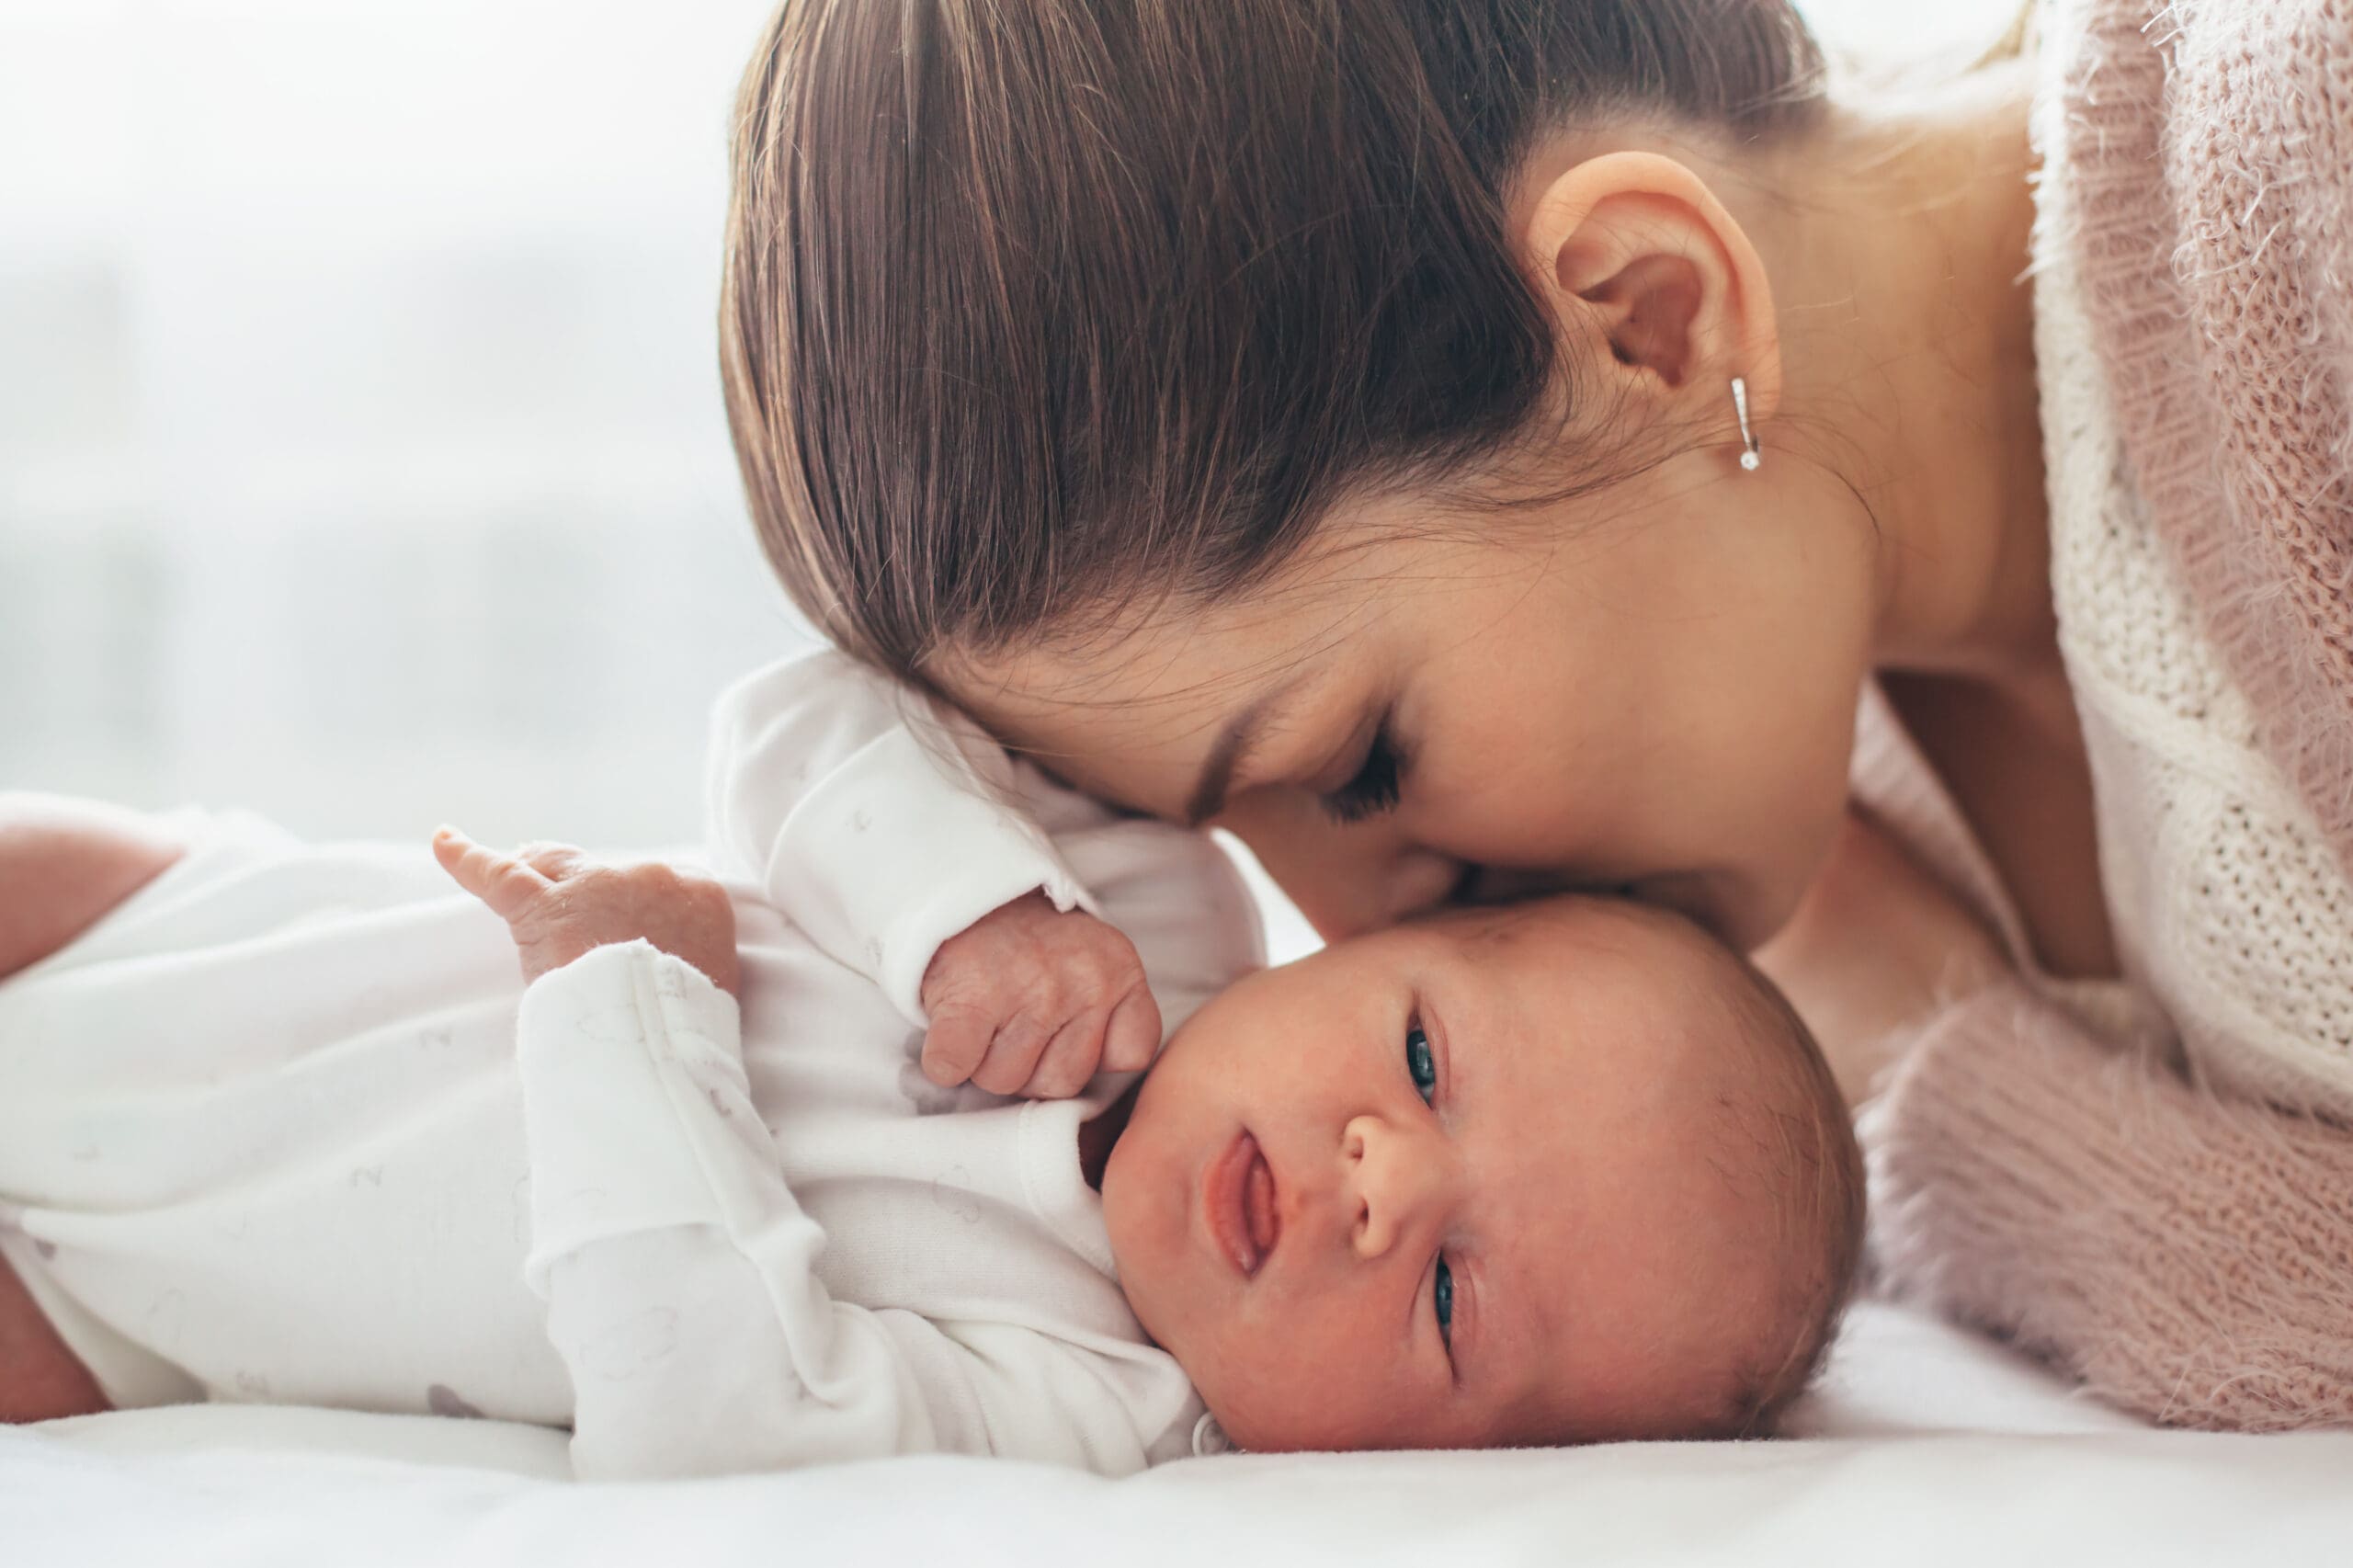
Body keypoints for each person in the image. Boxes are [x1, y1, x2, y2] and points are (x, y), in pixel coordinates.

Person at [720, 0, 2353, 1428]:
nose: (1343, 927)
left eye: (1362, 763)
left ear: (1650, 312)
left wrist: (1930, 1065)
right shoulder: (1779, 800)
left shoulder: (2303, 173)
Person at [0, 652, 1861, 1469]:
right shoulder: (1141, 890)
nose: (1382, 1181)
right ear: (1364, 941)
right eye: (1430, 1060)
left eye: (1455, 1299)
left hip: (133, 1321)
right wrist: (969, 908)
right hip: (196, 939)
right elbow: (803, 715)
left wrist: (625, 1001)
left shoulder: (1074, 1409)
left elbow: (710, 1420)